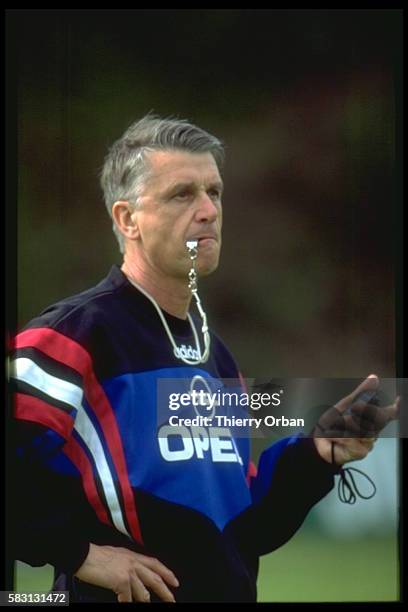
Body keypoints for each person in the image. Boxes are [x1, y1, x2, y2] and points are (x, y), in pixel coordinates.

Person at [9, 115, 399, 603]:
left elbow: (240, 530)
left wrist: (321, 454)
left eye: (214, 192)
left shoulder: (216, 356)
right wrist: (81, 553)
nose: (208, 210)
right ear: (127, 219)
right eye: (182, 194)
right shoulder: (74, 336)